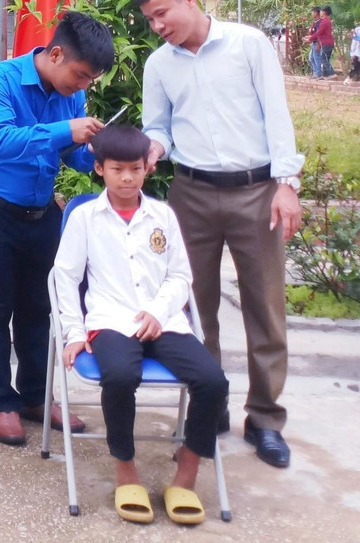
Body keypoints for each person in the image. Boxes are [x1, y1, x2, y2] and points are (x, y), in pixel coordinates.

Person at [137, 0, 303, 469]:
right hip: (192, 193)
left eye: (161, 13)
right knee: (192, 306)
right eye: (149, 19)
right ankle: (211, 405)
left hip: (257, 192)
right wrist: (151, 150)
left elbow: (277, 114)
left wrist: (286, 185)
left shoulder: (249, 45)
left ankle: (266, 420)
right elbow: (158, 126)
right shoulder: (159, 65)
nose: (157, 25)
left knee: (265, 306)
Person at [54, 124, 229, 526]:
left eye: (135, 169)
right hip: (111, 321)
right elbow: (65, 277)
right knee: (118, 376)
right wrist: (75, 334)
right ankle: (125, 470)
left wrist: (157, 310)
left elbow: (180, 277)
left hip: (164, 320)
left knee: (213, 382)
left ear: (147, 169)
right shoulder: (85, 218)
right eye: (117, 169)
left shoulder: (162, 215)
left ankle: (186, 473)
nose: (127, 178)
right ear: (99, 169)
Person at [0, 10, 116, 446]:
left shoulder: (72, 97)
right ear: (55, 53)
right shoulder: (0, 81)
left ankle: (34, 396)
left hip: (41, 214)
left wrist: (102, 156)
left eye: (90, 80)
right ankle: (3, 402)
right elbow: (1, 140)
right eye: (80, 75)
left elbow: (72, 154)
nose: (82, 86)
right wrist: (64, 129)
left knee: (41, 309)